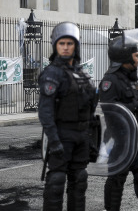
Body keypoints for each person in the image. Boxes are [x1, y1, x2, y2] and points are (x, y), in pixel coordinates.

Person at [38, 21, 97, 211]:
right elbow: (45, 112)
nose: (65, 47)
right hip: (62, 135)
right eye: (61, 43)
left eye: (69, 43)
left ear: (76, 46)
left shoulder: (82, 74)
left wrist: (91, 137)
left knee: (80, 180)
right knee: (56, 181)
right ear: (55, 46)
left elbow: (91, 107)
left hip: (81, 136)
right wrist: (53, 140)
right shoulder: (52, 73)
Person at [99, 34, 138, 211]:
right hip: (121, 142)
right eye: (136, 56)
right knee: (116, 182)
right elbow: (111, 112)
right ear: (125, 57)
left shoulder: (131, 81)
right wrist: (137, 104)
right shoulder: (110, 81)